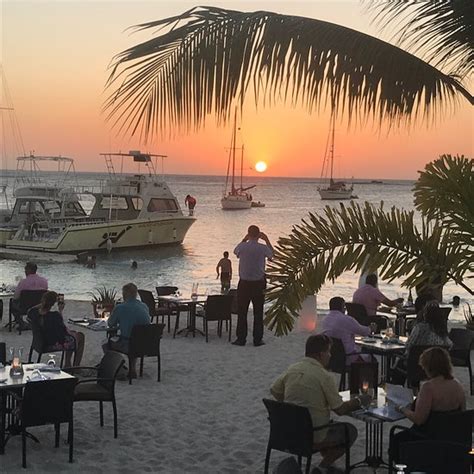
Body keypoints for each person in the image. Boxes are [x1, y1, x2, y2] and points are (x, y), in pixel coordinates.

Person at [270, 335, 370, 471]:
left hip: (288, 432)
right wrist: (359, 400)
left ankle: (327, 465)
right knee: (350, 431)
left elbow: (275, 391)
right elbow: (339, 409)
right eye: (328, 351)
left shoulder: (292, 369)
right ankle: (323, 467)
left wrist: (290, 406)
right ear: (321, 354)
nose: (330, 355)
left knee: (329, 424)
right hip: (312, 435)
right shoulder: (324, 376)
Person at [390, 347, 466, 463]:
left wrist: (402, 409)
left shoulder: (429, 388)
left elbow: (419, 419)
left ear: (429, 367)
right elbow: (462, 413)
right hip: (451, 438)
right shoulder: (457, 385)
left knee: (396, 439)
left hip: (428, 438)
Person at [389, 305, 452, 384]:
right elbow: (449, 345)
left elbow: (409, 345)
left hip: (416, 365)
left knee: (399, 363)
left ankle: (397, 390)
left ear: (425, 315)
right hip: (437, 367)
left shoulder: (419, 327)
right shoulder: (442, 330)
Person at [232, 225, 273, 346]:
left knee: (242, 312)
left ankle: (241, 339)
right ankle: (257, 339)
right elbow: (272, 256)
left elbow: (236, 252)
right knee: (258, 312)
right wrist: (267, 240)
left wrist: (244, 239)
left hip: (244, 283)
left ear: (248, 234)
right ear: (259, 235)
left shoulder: (243, 246)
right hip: (258, 283)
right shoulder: (263, 248)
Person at [103, 283, 151, 378]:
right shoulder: (144, 306)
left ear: (125, 294)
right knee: (135, 338)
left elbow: (110, 323)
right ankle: (132, 369)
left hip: (129, 344)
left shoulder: (120, 307)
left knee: (106, 344)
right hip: (146, 345)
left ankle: (119, 369)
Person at [27, 291, 85, 367]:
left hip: (39, 342)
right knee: (80, 336)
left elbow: (29, 310)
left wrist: (43, 304)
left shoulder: (33, 313)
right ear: (54, 303)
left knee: (73, 333)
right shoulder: (54, 316)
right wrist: (60, 310)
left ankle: (68, 364)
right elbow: (62, 329)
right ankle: (76, 366)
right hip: (51, 343)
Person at [319, 296, 376, 362]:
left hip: (333, 357)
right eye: (344, 307)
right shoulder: (347, 319)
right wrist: (371, 328)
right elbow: (364, 332)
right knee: (372, 359)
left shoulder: (325, 319)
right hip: (348, 357)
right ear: (342, 307)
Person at [12, 262, 49, 329]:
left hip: (24, 308)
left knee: (13, 303)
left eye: (25, 270)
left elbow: (16, 297)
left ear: (29, 270)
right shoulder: (44, 281)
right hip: (39, 306)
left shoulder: (23, 282)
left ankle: (21, 323)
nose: (25, 271)